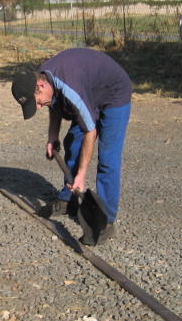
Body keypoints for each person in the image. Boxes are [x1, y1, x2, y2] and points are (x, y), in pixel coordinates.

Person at [11, 47, 132, 240]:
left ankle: (105, 222)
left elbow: (90, 131)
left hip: (113, 94)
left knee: (108, 158)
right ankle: (69, 199)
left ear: (41, 85)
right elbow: (54, 104)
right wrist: (52, 135)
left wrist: (82, 175)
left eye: (38, 102)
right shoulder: (45, 79)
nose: (40, 106)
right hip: (88, 89)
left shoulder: (69, 86)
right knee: (72, 143)